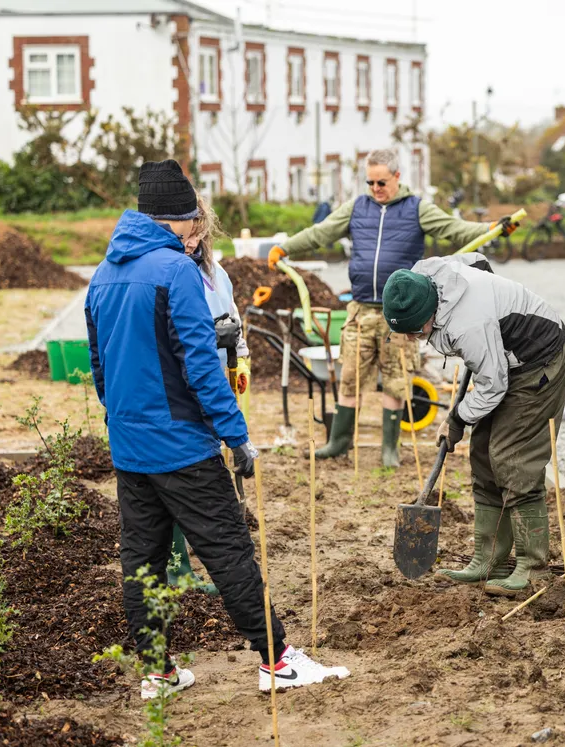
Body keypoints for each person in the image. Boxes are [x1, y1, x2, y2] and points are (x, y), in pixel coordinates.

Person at [86, 160, 348, 698]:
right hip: (182, 443)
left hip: (131, 446)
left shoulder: (103, 274)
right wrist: (236, 435)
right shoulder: (174, 270)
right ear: (177, 219)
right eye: (190, 221)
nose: (193, 232)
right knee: (228, 550)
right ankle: (277, 661)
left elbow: (98, 365)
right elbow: (200, 363)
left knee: (143, 560)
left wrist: (120, 422)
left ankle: (157, 673)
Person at [279, 148, 509, 467]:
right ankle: (339, 441)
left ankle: (390, 448)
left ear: (397, 177)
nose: (375, 189)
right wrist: (285, 247)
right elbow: (321, 233)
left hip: (399, 315)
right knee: (350, 376)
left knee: (397, 378)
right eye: (370, 182)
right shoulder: (357, 208)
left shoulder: (417, 209)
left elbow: (453, 230)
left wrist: (491, 229)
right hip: (360, 309)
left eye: (381, 182)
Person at [381, 253, 565, 595]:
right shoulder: (422, 277)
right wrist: (492, 294)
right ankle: (488, 559)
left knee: (511, 457)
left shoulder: (469, 325)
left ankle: (533, 567)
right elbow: (478, 260)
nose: (412, 339)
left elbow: (492, 385)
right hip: (503, 360)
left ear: (430, 314)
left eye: (414, 332)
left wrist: (456, 420)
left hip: (539, 361)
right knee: (482, 455)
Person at [160, 193, 252, 596]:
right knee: (181, 479)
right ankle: (176, 567)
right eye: (187, 233)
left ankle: (196, 559)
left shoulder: (218, 274)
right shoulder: (164, 273)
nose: (192, 241)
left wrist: (241, 361)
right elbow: (168, 334)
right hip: (179, 390)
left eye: (199, 233)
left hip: (214, 386)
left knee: (206, 470)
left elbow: (235, 323)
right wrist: (211, 335)